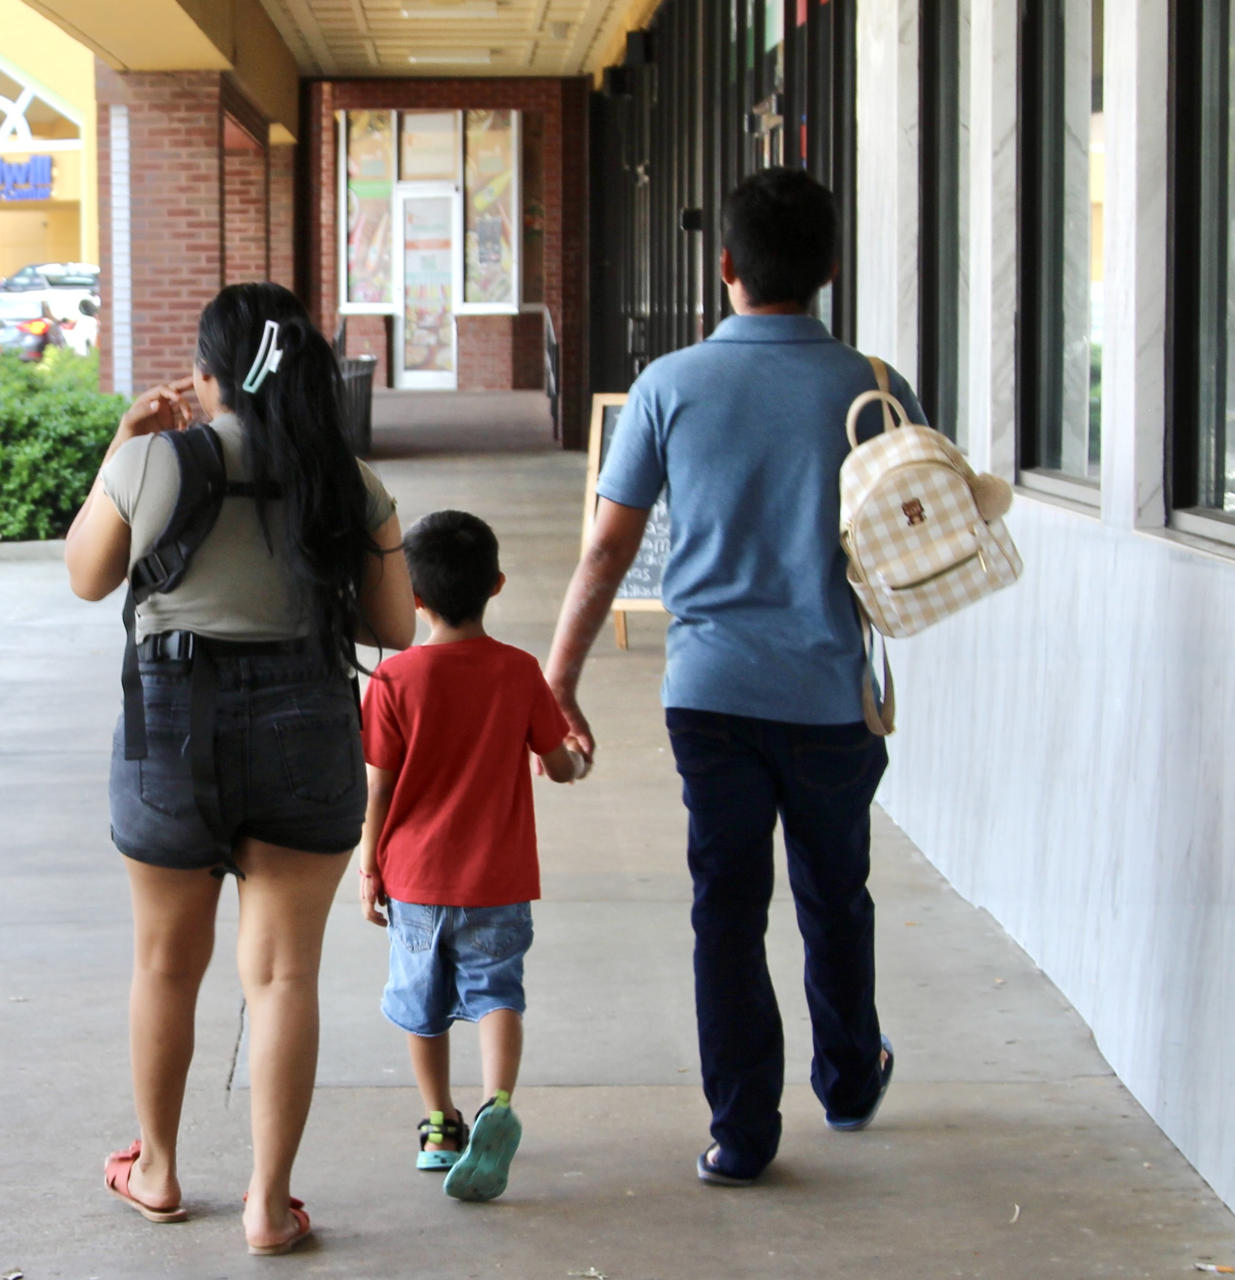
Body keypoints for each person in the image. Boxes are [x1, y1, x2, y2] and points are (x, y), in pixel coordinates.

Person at [544, 167, 916, 1187]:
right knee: (835, 892)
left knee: (728, 906)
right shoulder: (875, 386)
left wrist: (559, 677)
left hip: (709, 694)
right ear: (830, 266)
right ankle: (849, 1078)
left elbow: (608, 548)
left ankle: (742, 1133)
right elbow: (909, 536)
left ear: (724, 267)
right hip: (832, 692)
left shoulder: (669, 385)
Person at [63, 282, 415, 1254]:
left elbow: (87, 576)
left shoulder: (152, 460)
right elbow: (394, 625)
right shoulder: (345, 480)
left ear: (210, 374)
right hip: (306, 720)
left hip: (172, 720)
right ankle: (269, 1202)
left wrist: (122, 445)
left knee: (165, 962)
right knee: (284, 974)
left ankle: (158, 1169)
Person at [355, 509, 587, 1202]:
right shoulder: (519, 672)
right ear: (496, 584)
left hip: (415, 878)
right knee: (497, 994)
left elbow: (378, 788)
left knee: (420, 1004)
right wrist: (574, 760)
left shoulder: (393, 679)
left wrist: (369, 866)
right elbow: (558, 762)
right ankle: (497, 1106)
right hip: (498, 879)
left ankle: (440, 1126)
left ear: (413, 598)